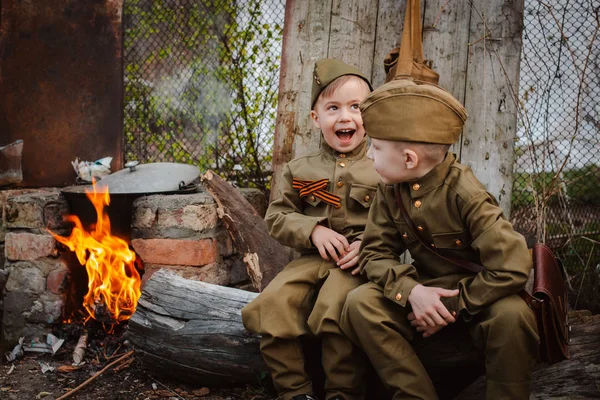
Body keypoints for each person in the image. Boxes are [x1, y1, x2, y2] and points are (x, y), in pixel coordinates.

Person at [339, 78, 539, 400]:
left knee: (514, 317)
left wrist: (449, 305)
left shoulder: (466, 194)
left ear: (409, 160)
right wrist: (413, 292)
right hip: (425, 289)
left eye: (375, 149)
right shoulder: (391, 190)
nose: (370, 157)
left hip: (480, 297)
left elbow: (512, 268)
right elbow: (375, 253)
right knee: (359, 304)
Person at [242, 58, 380, 400]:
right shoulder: (299, 169)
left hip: (357, 263)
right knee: (272, 306)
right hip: (309, 260)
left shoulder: (383, 167)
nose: (345, 117)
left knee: (337, 312)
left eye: (356, 107)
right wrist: (314, 230)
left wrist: (370, 244)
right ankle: (294, 392)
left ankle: (342, 394)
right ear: (317, 118)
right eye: (333, 108)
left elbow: (399, 220)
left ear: (371, 116)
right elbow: (277, 215)